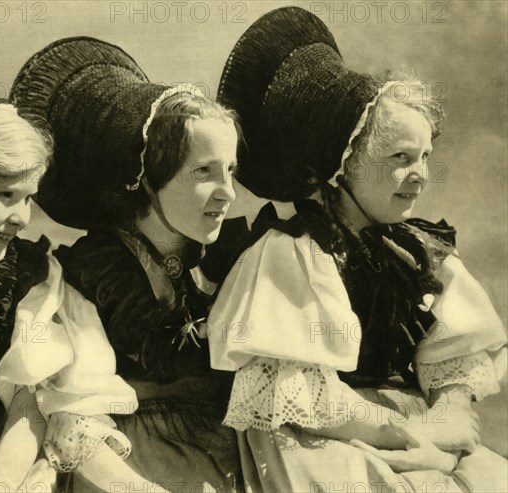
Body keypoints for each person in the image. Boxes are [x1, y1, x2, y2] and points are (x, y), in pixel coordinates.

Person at [205, 7, 508, 493]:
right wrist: (412, 432)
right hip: (328, 437)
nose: (420, 175)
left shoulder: (417, 254)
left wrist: (444, 423)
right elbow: (304, 397)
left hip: (416, 432)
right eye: (400, 158)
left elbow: (457, 362)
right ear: (343, 163)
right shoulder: (294, 251)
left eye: (426, 157)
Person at [0, 25, 138, 492]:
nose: (21, 218)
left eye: (29, 197)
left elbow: (29, 399)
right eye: (5, 194)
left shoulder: (29, 275)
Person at [10, 37, 242, 492]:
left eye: (230, 171)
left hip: (227, 446)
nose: (227, 192)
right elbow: (76, 404)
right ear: (148, 176)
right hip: (129, 454)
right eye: (203, 172)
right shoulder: (96, 270)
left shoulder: (223, 256)